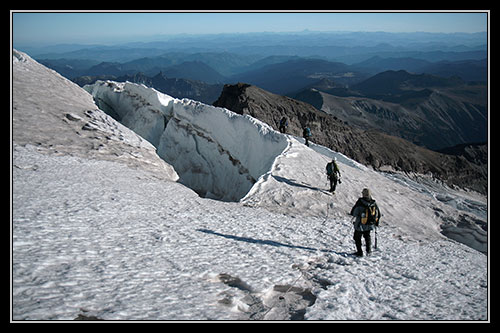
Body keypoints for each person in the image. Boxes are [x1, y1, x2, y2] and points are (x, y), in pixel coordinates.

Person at [349, 188, 381, 257]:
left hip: (360, 224)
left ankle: (359, 252)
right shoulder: (373, 203)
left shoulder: (360, 202)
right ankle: (368, 251)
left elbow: (354, 213)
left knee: (357, 237)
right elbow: (378, 213)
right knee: (367, 236)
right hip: (369, 224)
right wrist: (376, 222)